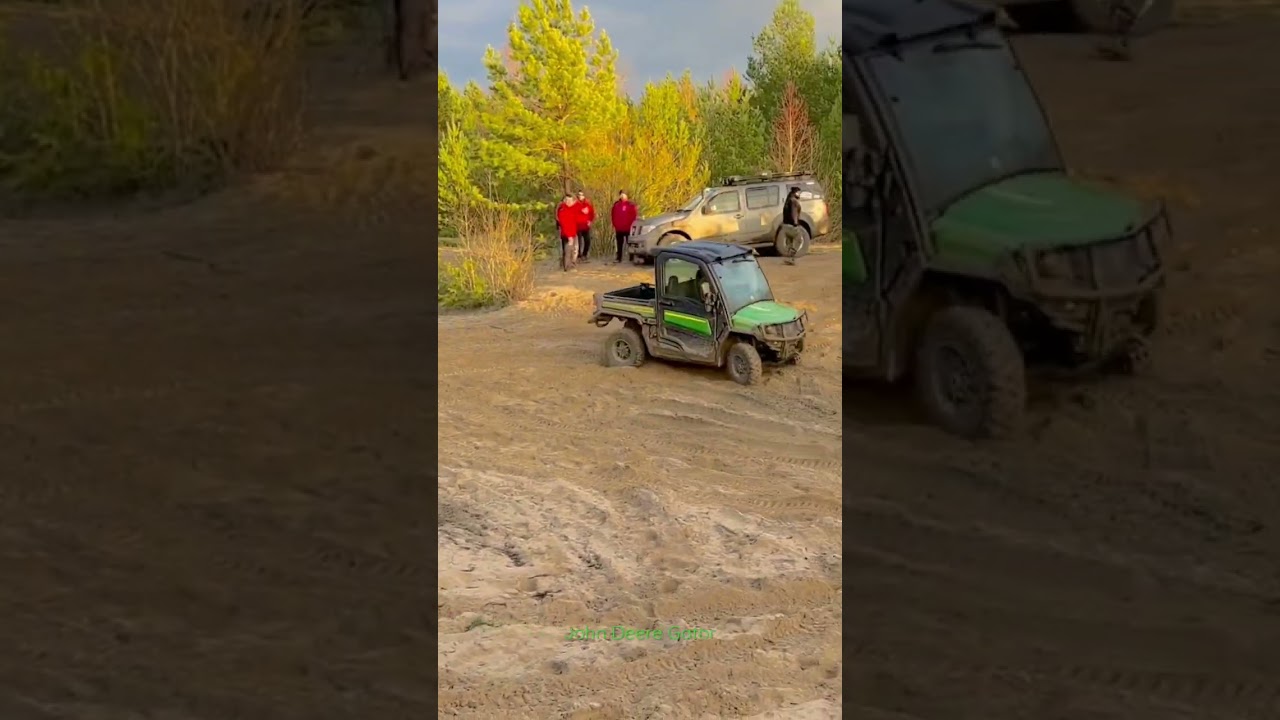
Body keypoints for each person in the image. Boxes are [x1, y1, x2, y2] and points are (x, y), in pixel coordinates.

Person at [610, 190, 638, 264]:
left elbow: (634, 216)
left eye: (624, 194)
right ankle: (619, 257)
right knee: (619, 244)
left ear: (627, 196)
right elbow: (613, 215)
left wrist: (632, 226)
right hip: (619, 228)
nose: (622, 196)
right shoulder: (616, 205)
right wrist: (614, 224)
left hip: (628, 228)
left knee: (630, 243)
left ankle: (631, 257)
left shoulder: (631, 205)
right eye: (621, 194)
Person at [780, 186, 804, 265]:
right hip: (791, 225)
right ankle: (792, 256)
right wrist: (795, 223)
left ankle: (790, 259)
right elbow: (794, 213)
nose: (799, 194)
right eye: (798, 192)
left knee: (789, 242)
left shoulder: (788, 200)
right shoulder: (794, 201)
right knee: (799, 239)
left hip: (785, 226)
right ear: (795, 193)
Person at [555, 193, 579, 271]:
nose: (569, 202)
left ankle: (571, 265)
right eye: (567, 200)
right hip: (567, 234)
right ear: (564, 201)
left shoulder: (572, 209)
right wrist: (569, 236)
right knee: (568, 250)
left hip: (573, 233)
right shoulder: (563, 210)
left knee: (573, 250)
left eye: (570, 200)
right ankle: (567, 267)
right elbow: (564, 224)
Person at [576, 190, 595, 262]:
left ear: (584, 196)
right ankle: (578, 256)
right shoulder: (575, 204)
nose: (580, 196)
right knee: (579, 242)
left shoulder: (588, 204)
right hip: (578, 226)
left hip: (586, 226)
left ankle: (584, 254)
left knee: (588, 241)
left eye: (581, 195)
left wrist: (590, 221)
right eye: (579, 195)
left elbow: (592, 214)